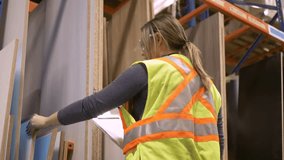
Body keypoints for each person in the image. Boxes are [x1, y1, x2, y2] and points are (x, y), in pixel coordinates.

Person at [28, 14, 224, 160]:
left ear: (157, 39)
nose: (143, 52)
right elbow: (219, 140)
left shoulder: (151, 70)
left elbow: (92, 105)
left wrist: (46, 122)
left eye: (143, 44)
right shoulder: (210, 88)